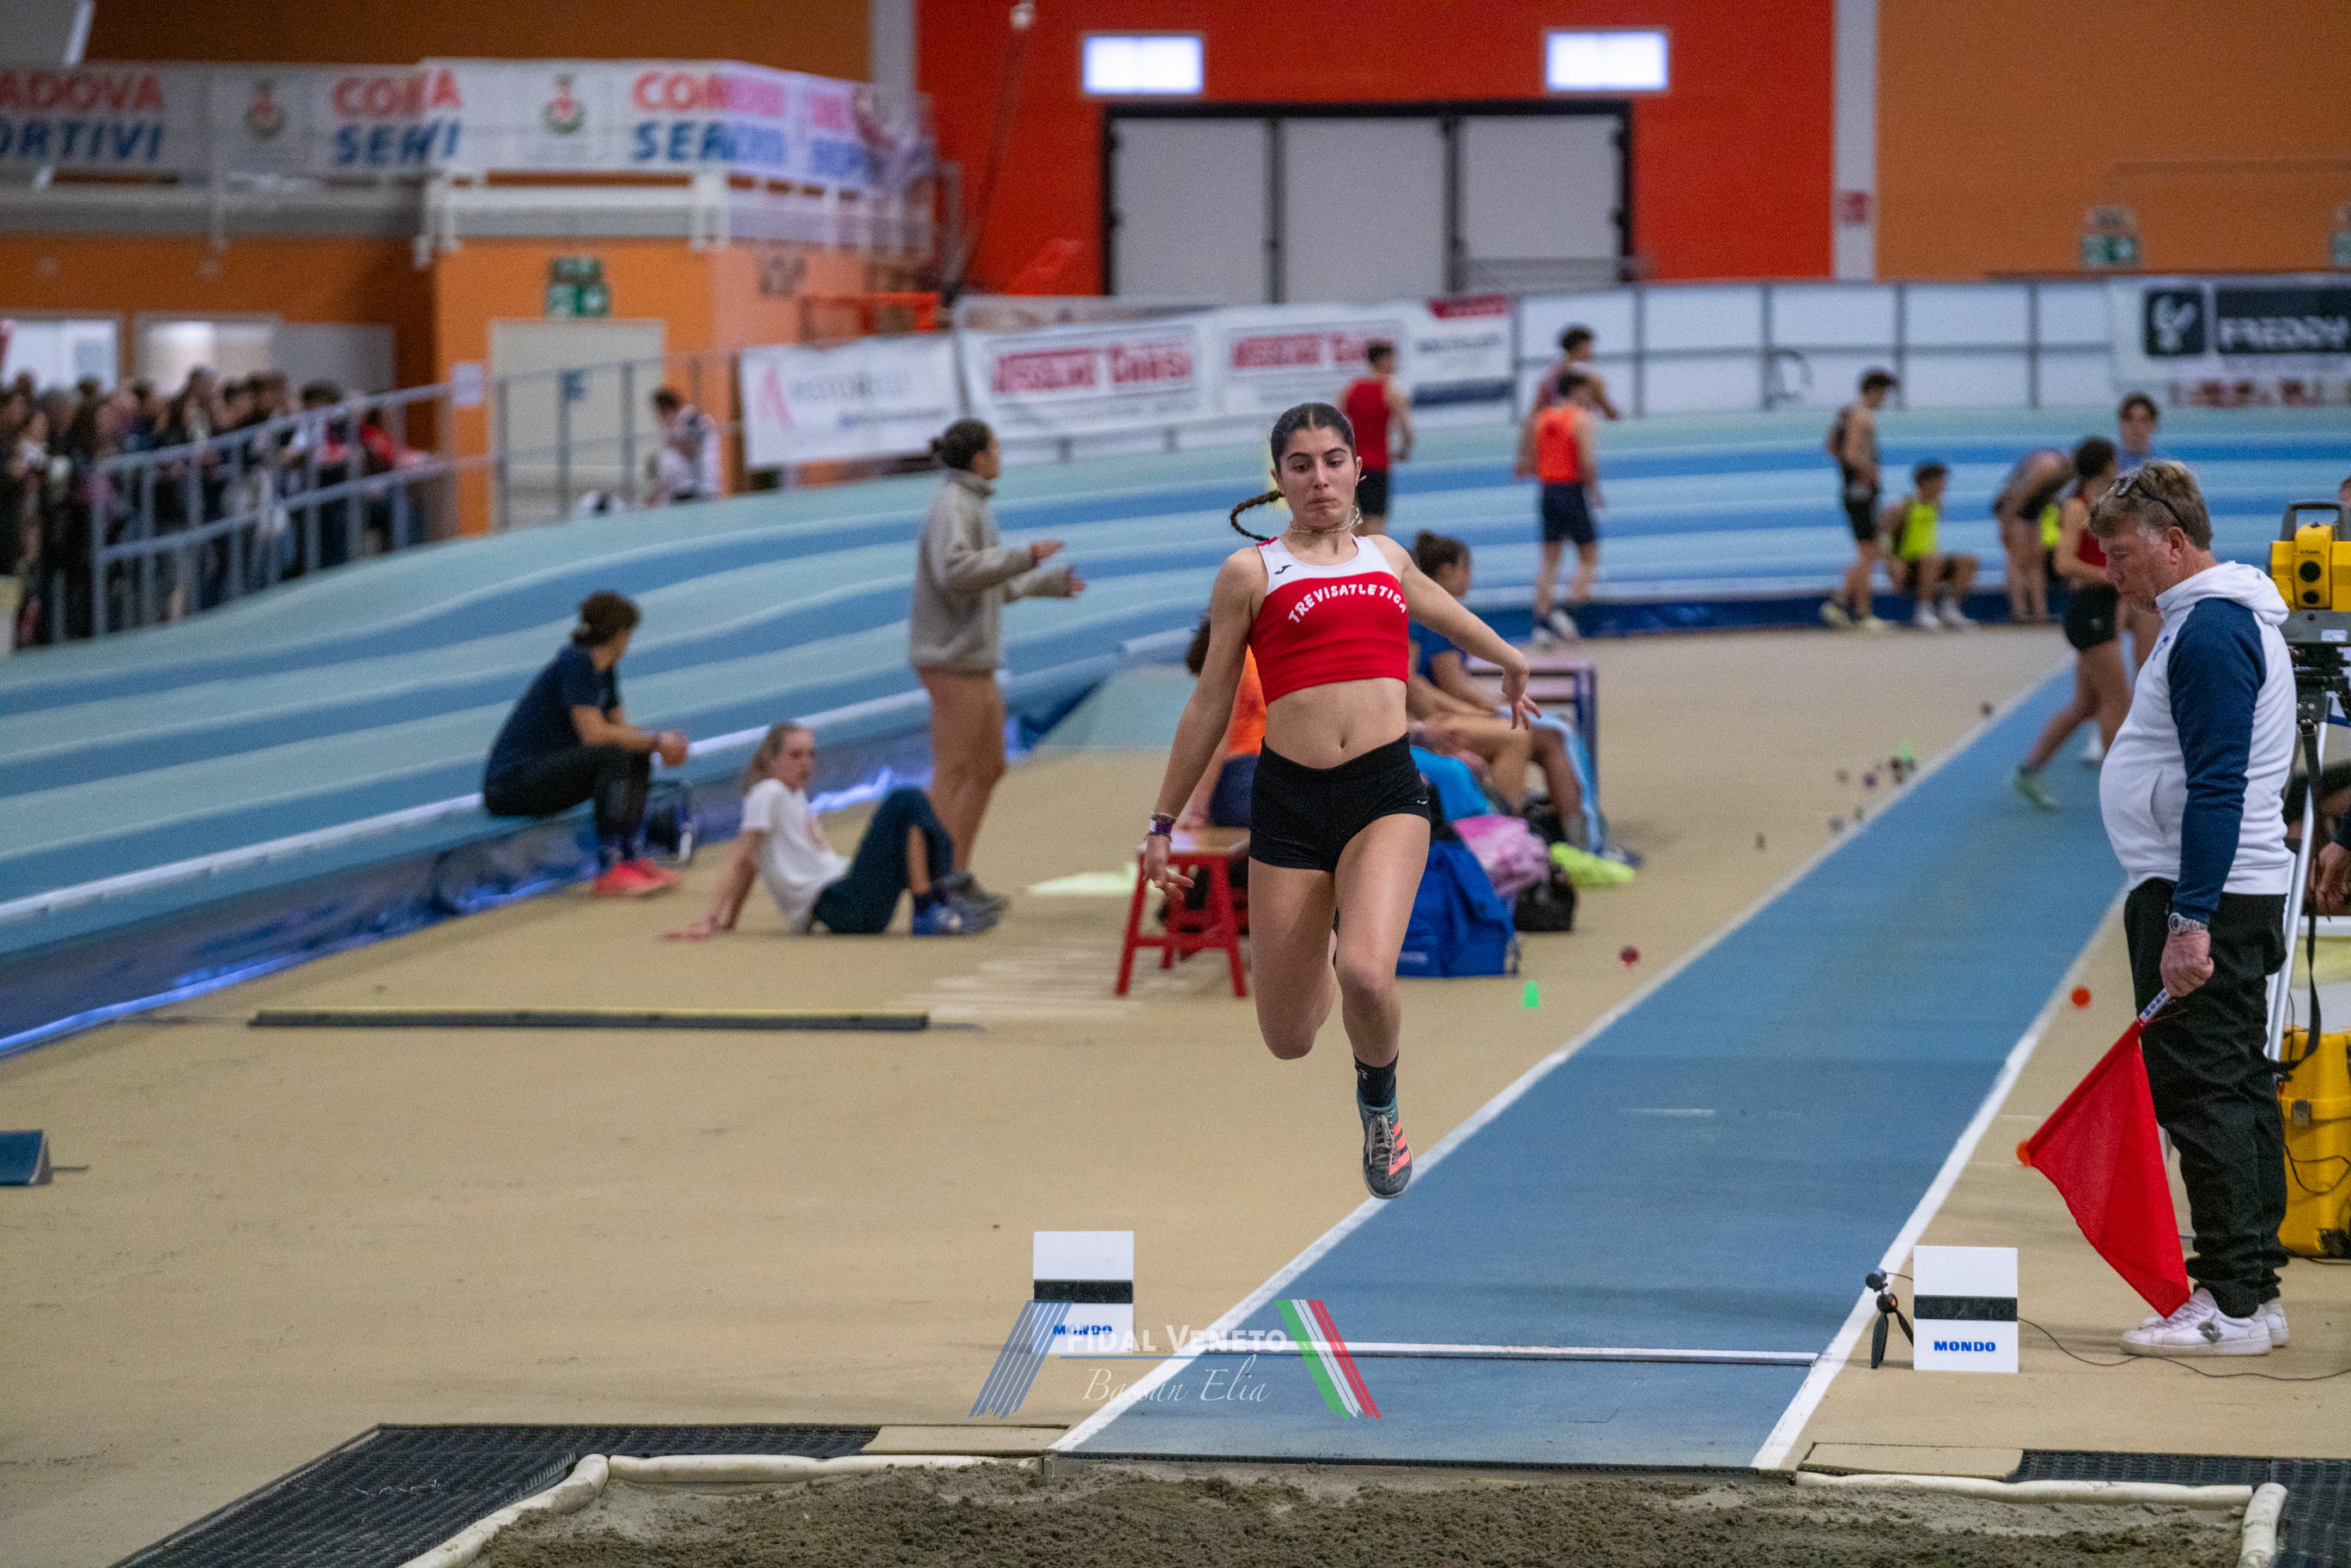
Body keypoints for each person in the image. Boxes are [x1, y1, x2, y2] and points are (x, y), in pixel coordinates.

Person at [1142, 401, 1535, 1201]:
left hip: (1383, 793)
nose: (1319, 478)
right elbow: (1210, 703)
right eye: (1301, 465)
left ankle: (1380, 1105)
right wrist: (1163, 821)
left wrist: (1509, 659)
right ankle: (1319, 938)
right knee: (1288, 1037)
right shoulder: (1250, 573)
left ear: (1357, 469)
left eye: (1332, 461)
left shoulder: (1386, 557)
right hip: (1289, 803)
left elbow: (1444, 610)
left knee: (1366, 974)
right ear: (1278, 479)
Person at [2094, 460, 2294, 1357]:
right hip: (2223, 887)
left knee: (2203, 1094)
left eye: (2121, 553)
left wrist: (2188, 919)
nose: (2110, 573)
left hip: (2202, 892)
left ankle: (2230, 1303)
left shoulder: (2210, 631)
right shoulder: (2214, 616)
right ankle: (2252, 1289)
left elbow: (2217, 783)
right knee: (2235, 1086)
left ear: (2173, 542)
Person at [910, 417, 1084, 913]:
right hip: (951, 659)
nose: (1001, 454)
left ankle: (956, 874)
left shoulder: (973, 503)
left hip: (972, 659)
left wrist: (1046, 582)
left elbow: (991, 583)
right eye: (996, 448)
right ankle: (930, 890)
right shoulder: (953, 504)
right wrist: (1023, 558)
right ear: (978, 458)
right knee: (952, 772)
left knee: (989, 766)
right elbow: (955, 573)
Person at [667, 722, 986, 939]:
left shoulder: (795, 797)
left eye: (810, 754)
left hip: (854, 902)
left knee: (911, 807)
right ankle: (932, 906)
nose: (806, 763)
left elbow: (753, 863)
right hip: (840, 903)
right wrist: (711, 919)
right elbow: (743, 857)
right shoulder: (769, 792)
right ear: (772, 760)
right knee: (904, 800)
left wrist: (730, 921)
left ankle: (939, 900)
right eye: (795, 755)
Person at [483, 590, 690, 898]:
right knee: (614, 754)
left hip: (547, 776)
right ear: (618, 634)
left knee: (635, 752)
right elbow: (593, 734)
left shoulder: (605, 669)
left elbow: (620, 730)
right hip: (510, 785)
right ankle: (611, 867)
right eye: (629, 634)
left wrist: (661, 743)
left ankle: (629, 857)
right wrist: (658, 741)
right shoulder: (577, 661)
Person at [1410, 532, 1586, 824]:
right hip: (1424, 722)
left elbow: (1426, 685)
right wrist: (1478, 710)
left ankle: (1565, 830)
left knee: (1553, 732)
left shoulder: (1427, 614)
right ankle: (1515, 837)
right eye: (1467, 569)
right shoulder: (1427, 617)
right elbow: (1441, 686)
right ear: (1449, 571)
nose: (1471, 578)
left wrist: (1490, 703)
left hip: (1427, 718)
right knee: (1535, 736)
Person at [2011, 440, 2126, 807]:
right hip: (2089, 612)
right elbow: (2063, 563)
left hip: (2100, 609)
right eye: (2114, 460)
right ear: (2105, 465)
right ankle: (2121, 792)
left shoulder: (2103, 503)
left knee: (2086, 704)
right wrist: (2109, 576)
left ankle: (2029, 771)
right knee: (2118, 701)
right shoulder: (2077, 507)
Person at [1516, 369, 1601, 646]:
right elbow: (1586, 461)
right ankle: (1567, 612)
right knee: (1589, 558)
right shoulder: (1582, 419)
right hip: (1572, 491)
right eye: (1586, 392)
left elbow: (1531, 461)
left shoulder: (1541, 419)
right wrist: (1595, 492)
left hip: (1548, 491)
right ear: (1576, 391)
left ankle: (1540, 625)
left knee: (1549, 563)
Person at [1821, 369, 1897, 632]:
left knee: (1869, 552)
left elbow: (1832, 449)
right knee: (1867, 554)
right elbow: (1852, 454)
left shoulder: (1847, 413)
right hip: (1861, 492)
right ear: (1875, 391)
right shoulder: (1863, 415)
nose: (1884, 400)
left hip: (1853, 491)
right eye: (1884, 394)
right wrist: (1870, 474)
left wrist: (1851, 477)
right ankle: (1863, 614)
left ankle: (1838, 603)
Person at [1176, 614, 1264, 830]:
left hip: (1238, 777)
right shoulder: (1259, 657)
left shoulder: (1229, 661)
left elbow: (1216, 741)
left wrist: (1197, 813)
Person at [1879, 462, 1977, 631]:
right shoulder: (1905, 506)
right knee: (1931, 560)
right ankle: (1923, 610)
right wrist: (1892, 563)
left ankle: (1949, 609)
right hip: (1909, 564)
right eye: (1940, 482)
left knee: (1968, 560)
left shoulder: (1936, 505)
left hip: (1931, 562)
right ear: (1926, 483)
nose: (1943, 487)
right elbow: (1883, 534)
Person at [1992, 446, 2072, 627]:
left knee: (2036, 561)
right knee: (2018, 560)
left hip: (2029, 509)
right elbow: (2021, 496)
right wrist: (2007, 525)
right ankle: (2019, 612)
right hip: (2014, 508)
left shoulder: (2064, 472)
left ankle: (2040, 612)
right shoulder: (2048, 466)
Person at [1339, 341, 1412, 535]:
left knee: (1355, 519)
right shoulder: (1391, 394)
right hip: (1378, 464)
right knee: (1376, 521)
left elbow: (1333, 424)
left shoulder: (1350, 391)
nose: (1395, 363)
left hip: (1353, 463)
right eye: (1392, 359)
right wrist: (1404, 451)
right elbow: (1406, 430)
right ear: (1383, 360)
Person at [644, 386, 722, 506]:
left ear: (666, 410)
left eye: (660, 413)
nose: (659, 419)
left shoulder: (690, 420)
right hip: (685, 489)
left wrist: (675, 439)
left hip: (698, 488)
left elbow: (693, 453)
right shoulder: (678, 425)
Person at [1535, 325, 1622, 420]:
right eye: (1586, 350)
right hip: (1577, 425)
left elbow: (1535, 414)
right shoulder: (1590, 380)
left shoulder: (1548, 379)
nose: (1590, 355)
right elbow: (1610, 412)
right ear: (1572, 351)